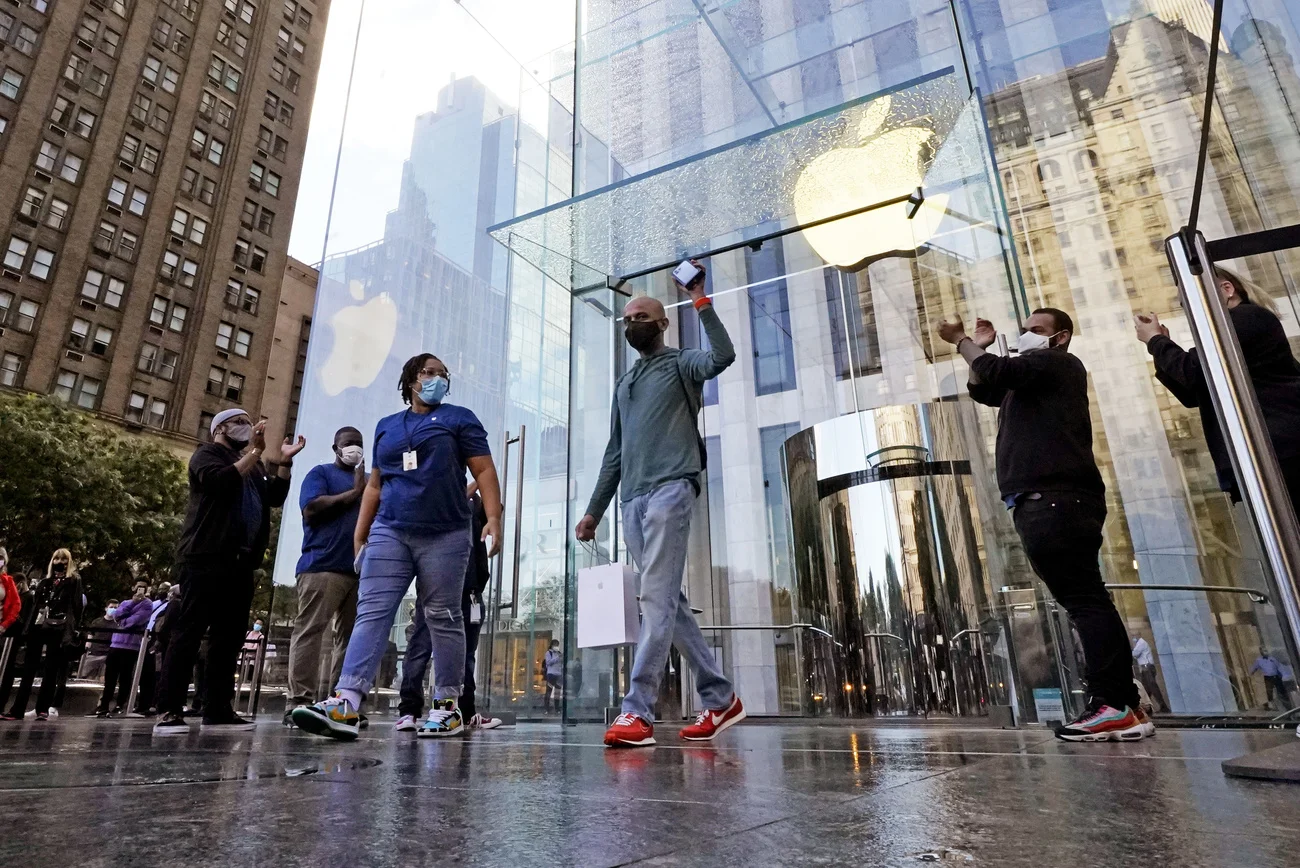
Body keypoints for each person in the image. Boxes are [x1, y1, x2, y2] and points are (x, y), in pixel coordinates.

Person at [937, 310, 1153, 741]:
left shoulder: (1059, 363)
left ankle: (1111, 705)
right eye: (1024, 330)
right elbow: (985, 387)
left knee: (1085, 603)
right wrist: (979, 345)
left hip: (1054, 500)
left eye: (1036, 330)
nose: (1026, 336)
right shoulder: (1034, 382)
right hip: (1054, 500)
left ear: (1061, 337)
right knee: (1087, 600)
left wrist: (961, 340)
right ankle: (1125, 707)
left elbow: (994, 369)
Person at [576, 260, 747, 748]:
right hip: (631, 498)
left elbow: (723, 355)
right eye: (627, 319)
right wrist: (594, 510)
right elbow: (615, 451)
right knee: (669, 601)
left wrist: (699, 298)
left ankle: (638, 712)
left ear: (663, 323)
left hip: (673, 485)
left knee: (655, 597)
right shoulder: (624, 384)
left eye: (643, 317)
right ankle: (720, 699)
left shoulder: (681, 363)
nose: (633, 324)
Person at [293, 354, 502, 740]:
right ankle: (347, 702)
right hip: (391, 531)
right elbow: (375, 484)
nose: (437, 379)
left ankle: (447, 706)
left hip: (446, 533)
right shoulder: (387, 426)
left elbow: (484, 469)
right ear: (410, 380)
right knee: (372, 613)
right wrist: (361, 532)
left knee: (442, 615)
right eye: (429, 373)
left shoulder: (460, 418)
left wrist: (493, 518)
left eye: (443, 374)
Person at [152, 409, 304, 735]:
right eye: (239, 422)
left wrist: (285, 463)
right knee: (188, 634)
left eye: (247, 423)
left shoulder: (254, 465)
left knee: (228, 639)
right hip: (205, 557)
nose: (246, 428)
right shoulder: (206, 454)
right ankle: (168, 710)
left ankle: (217, 709)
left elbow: (274, 497)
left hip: (241, 563)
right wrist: (258, 452)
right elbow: (220, 481)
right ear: (220, 428)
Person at [1135, 268, 1300, 505]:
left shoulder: (1246, 318)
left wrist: (1156, 341)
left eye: (1193, 301)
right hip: (1270, 451)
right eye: (1185, 306)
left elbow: (1194, 373)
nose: (1190, 312)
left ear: (1227, 290)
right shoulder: (1242, 324)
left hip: (1281, 451)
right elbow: (1193, 394)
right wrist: (1161, 346)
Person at [396, 482, 501, 732]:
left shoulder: (475, 505)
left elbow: (496, 509)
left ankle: (465, 712)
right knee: (420, 648)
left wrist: (484, 495)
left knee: (466, 654)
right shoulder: (438, 495)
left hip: (471, 590)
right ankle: (409, 711)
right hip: (435, 588)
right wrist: (479, 477)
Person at [284, 426, 365, 726]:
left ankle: (340, 702)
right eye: (348, 444)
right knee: (310, 632)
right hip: (322, 567)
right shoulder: (321, 474)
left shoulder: (367, 482)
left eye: (358, 444)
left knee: (351, 639)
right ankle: (298, 702)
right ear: (336, 448)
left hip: (357, 571)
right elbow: (312, 509)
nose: (354, 448)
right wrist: (354, 493)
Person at [3, 549, 84, 721]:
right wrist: (27, 629)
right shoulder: (45, 582)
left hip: (58, 628)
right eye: (56, 558)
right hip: (38, 627)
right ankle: (17, 709)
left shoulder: (73, 581)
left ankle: (42, 709)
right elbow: (35, 605)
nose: (59, 562)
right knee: (29, 669)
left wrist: (72, 629)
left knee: (51, 670)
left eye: (63, 559)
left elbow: (76, 606)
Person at [96, 581, 152, 716]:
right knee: (110, 677)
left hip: (131, 646)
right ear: (133, 588)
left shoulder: (147, 604)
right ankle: (104, 705)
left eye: (143, 587)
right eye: (138, 587)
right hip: (115, 644)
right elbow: (115, 615)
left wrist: (122, 622)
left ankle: (120, 704)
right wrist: (132, 603)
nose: (140, 590)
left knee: (125, 678)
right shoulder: (126, 602)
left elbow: (136, 620)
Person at [1131, 636, 1167, 713]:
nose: (1133, 639)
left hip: (1147, 667)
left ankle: (1163, 706)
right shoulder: (1141, 642)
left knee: (1152, 687)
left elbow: (1135, 654)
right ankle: (1147, 707)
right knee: (1146, 688)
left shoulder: (1141, 642)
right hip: (1145, 668)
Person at [542, 640, 563, 714]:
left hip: (558, 674)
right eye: (555, 645)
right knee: (548, 691)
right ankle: (546, 709)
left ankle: (557, 708)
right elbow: (548, 663)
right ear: (552, 645)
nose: (556, 646)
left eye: (557, 645)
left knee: (557, 692)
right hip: (551, 674)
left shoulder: (559, 653)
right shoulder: (549, 653)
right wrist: (557, 658)